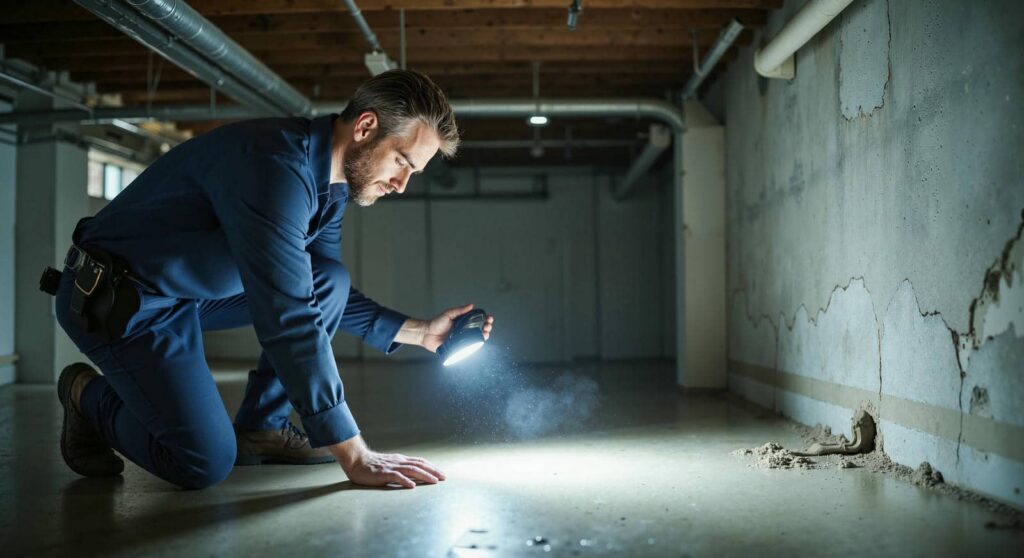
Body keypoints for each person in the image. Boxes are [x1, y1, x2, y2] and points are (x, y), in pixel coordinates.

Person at [50, 69, 494, 490]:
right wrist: (353, 453)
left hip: (186, 293)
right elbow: (290, 315)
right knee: (201, 462)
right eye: (402, 161)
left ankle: (263, 426)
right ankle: (84, 394)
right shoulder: (275, 167)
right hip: (121, 301)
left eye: (412, 172)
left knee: (329, 279)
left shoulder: (331, 184)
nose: (401, 184)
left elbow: (314, 290)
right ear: (365, 127)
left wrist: (421, 333)